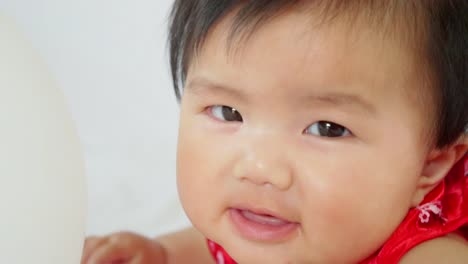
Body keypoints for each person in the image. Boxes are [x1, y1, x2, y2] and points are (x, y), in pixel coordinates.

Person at [81, 1, 468, 263]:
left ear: (428, 166)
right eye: (228, 112)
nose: (260, 169)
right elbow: (213, 246)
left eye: (327, 129)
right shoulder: (264, 219)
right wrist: (162, 252)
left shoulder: (433, 255)